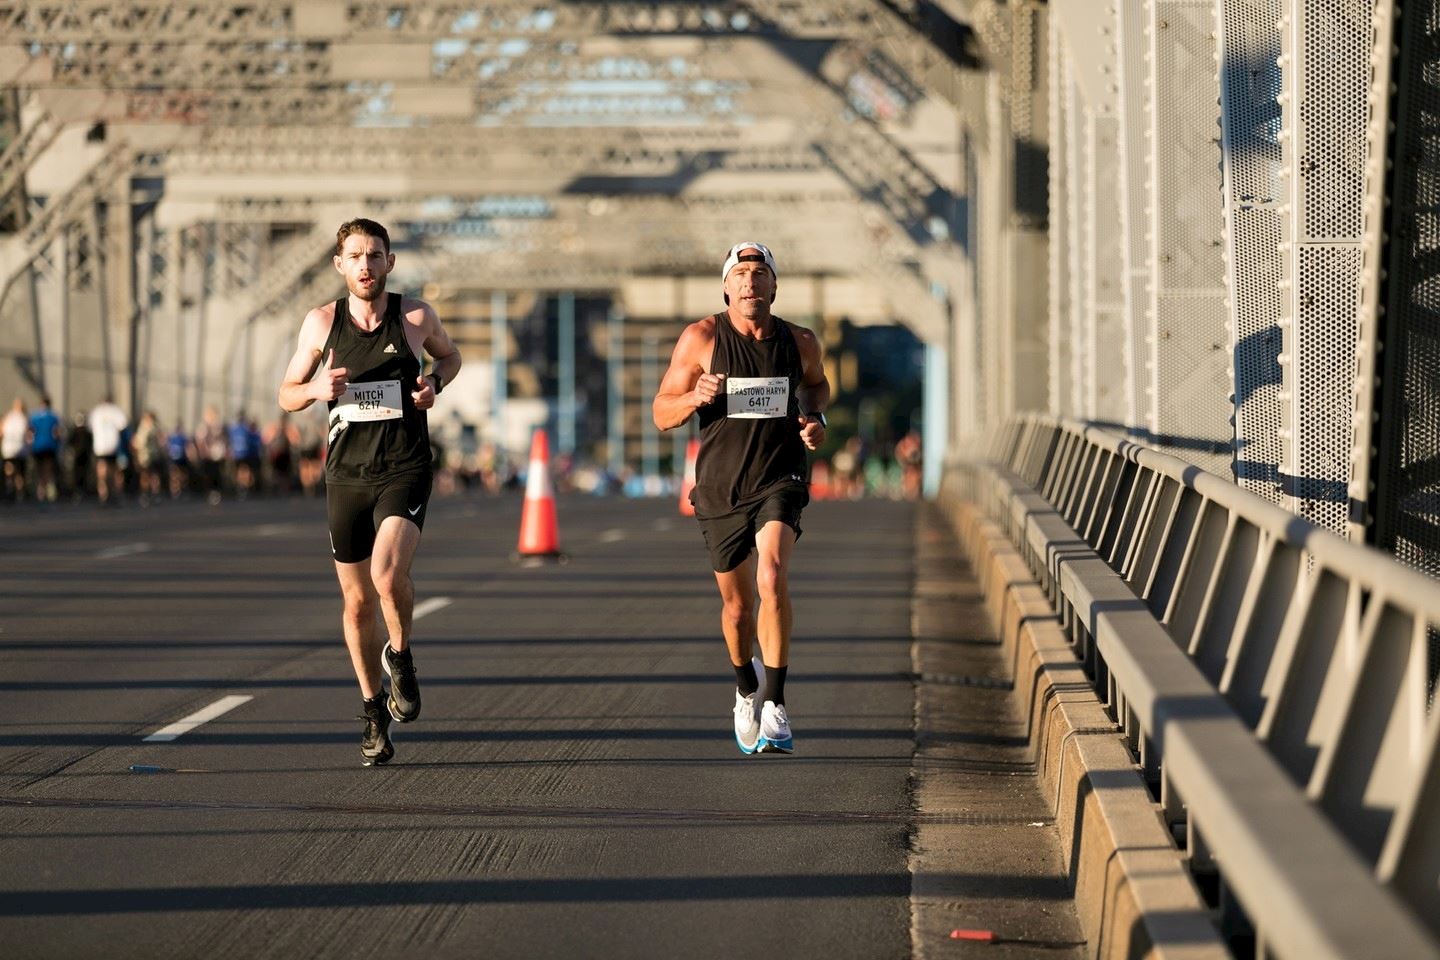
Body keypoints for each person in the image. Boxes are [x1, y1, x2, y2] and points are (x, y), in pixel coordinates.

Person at [278, 218, 461, 766]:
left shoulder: (414, 317)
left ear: (389, 262)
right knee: (357, 603)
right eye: (354, 256)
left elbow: (448, 357)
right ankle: (371, 709)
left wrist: (434, 384)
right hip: (346, 476)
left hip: (403, 466)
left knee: (386, 574)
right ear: (339, 265)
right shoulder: (320, 324)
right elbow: (286, 395)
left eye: (374, 255)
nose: (365, 265)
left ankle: (400, 656)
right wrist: (314, 388)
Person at [652, 241, 830, 755]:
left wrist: (816, 420)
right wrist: (693, 397)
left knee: (771, 576)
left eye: (759, 273)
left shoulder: (800, 342)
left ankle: (775, 700)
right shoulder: (702, 338)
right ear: (726, 287)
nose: (750, 282)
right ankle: (745, 688)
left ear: (774, 286)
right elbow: (661, 412)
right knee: (736, 609)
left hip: (780, 478)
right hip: (720, 487)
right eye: (741, 274)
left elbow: (817, 389)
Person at [88, 396, 129, 505]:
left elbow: (90, 428)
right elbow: (123, 427)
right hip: (113, 446)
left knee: (102, 470)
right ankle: (115, 492)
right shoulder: (116, 411)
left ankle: (103, 494)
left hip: (100, 447)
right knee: (115, 471)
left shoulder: (96, 412)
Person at [28, 395, 61, 502]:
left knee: (39, 470)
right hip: (50, 446)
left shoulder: (34, 417)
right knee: (48, 469)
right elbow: (56, 433)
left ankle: (40, 491)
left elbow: (30, 433)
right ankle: (48, 490)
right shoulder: (54, 416)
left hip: (37, 447)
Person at [2, 398, 28, 501]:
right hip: (20, 448)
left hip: (8, 449)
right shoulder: (23, 418)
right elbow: (28, 435)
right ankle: (19, 492)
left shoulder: (8, 417)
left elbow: (2, 431)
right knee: (20, 472)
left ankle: (9, 488)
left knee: (9, 469)